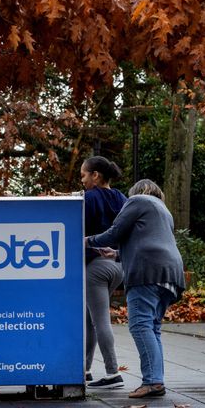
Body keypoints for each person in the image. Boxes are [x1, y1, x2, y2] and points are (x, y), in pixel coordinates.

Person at [86, 179, 185, 399]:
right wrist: (117, 255)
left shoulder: (137, 200)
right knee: (153, 328)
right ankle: (156, 379)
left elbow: (114, 233)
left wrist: (87, 241)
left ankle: (152, 382)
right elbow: (151, 241)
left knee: (140, 326)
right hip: (171, 274)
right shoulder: (163, 210)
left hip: (147, 273)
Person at [80, 156, 127, 389]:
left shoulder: (88, 198)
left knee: (99, 320)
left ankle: (112, 373)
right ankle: (85, 369)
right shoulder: (121, 198)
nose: (83, 181)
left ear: (95, 175)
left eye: (84, 176)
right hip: (117, 265)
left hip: (96, 266)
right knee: (91, 319)